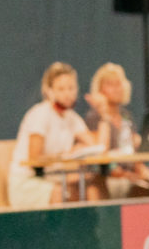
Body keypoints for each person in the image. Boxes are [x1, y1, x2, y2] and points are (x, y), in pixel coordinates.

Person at [7, 62, 105, 208]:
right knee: (62, 192)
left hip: (54, 179)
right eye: (61, 88)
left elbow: (97, 145)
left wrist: (103, 112)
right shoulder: (40, 114)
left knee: (92, 186)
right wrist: (66, 155)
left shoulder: (72, 117)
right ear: (49, 91)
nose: (67, 93)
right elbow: (34, 159)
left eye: (71, 88)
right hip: (27, 182)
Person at [84, 62, 149, 197]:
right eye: (110, 85)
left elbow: (133, 151)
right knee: (142, 190)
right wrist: (104, 115)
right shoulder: (94, 117)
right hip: (109, 176)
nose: (116, 89)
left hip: (131, 172)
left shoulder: (126, 115)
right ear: (100, 90)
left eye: (118, 84)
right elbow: (99, 153)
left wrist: (144, 172)